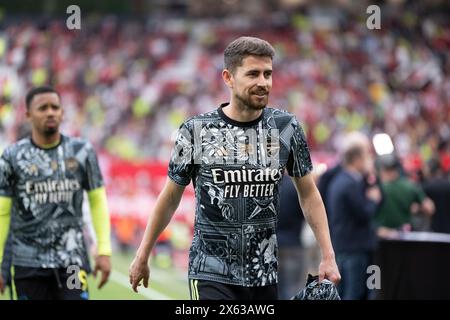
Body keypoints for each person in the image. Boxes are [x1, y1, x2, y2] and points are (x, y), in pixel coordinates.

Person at [129, 36, 340, 300]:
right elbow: (170, 196)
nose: (263, 82)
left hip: (263, 273)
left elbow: (308, 194)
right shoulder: (196, 131)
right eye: (253, 74)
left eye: (267, 74)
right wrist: (143, 254)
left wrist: (328, 256)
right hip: (210, 271)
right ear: (228, 78)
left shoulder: (286, 128)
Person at [0, 86, 112, 300]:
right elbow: (3, 213)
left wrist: (104, 250)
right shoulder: (12, 157)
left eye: (55, 107)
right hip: (28, 263)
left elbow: (97, 201)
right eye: (43, 108)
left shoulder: (82, 152)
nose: (50, 112)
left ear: (62, 113)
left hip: (72, 262)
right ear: (28, 115)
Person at [327, 135, 381, 300]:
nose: (369, 160)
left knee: (345, 293)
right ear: (357, 158)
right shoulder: (350, 184)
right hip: (355, 250)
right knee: (355, 293)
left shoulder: (340, 181)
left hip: (344, 247)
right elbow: (364, 213)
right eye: (366, 155)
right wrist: (372, 200)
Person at [375, 154, 435, 237]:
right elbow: (429, 208)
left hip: (382, 238)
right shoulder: (410, 186)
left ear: (380, 170)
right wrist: (417, 209)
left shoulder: (375, 190)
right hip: (405, 237)